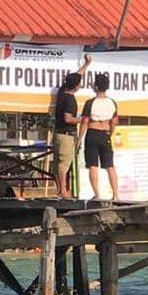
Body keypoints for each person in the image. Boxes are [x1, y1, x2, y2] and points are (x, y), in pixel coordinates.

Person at [53, 54, 93, 198]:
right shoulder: (70, 100)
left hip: (58, 133)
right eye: (79, 83)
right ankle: (63, 191)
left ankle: (60, 189)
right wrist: (82, 120)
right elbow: (68, 119)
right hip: (66, 135)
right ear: (76, 86)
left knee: (58, 163)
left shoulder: (62, 92)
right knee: (64, 164)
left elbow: (77, 75)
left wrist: (86, 64)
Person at [78, 73, 119, 201]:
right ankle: (116, 195)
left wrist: (79, 139)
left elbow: (84, 121)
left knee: (93, 165)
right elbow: (114, 121)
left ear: (95, 87)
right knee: (109, 165)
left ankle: (97, 194)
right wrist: (110, 133)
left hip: (92, 133)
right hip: (105, 133)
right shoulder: (112, 102)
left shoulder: (90, 102)